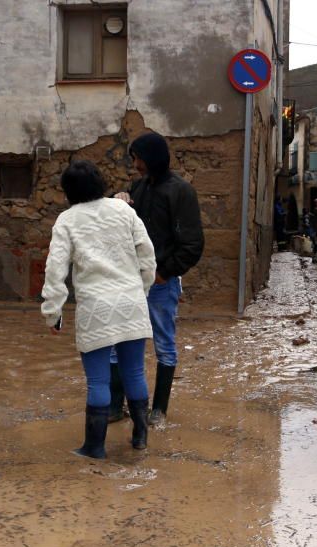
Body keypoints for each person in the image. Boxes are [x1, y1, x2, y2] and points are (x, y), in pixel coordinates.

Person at [41, 160, 157, 459]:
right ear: (100, 182)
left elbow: (55, 270)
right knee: (134, 372)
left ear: (68, 191)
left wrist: (53, 313)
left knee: (98, 380)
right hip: (131, 303)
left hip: (95, 308)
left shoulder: (67, 220)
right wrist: (140, 291)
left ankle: (94, 447)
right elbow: (147, 256)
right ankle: (140, 437)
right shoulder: (123, 211)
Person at [108, 132, 205, 426]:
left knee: (163, 343)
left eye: (137, 158)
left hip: (161, 284)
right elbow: (119, 226)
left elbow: (192, 245)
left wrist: (164, 274)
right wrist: (118, 201)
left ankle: (159, 410)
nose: (135, 164)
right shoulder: (138, 187)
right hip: (130, 281)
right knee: (117, 343)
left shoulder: (181, 191)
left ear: (150, 159)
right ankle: (115, 407)